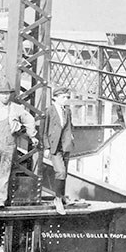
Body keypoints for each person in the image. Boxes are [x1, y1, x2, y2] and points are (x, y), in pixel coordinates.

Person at [0, 79, 38, 208]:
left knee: (4, 173)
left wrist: (32, 135)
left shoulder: (16, 108)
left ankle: (0, 200)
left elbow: (29, 120)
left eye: (7, 94)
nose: (5, 96)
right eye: (3, 94)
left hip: (8, 144)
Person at [43, 86, 74, 215]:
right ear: (55, 98)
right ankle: (57, 200)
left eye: (67, 97)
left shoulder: (67, 111)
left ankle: (62, 197)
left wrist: (71, 137)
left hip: (65, 145)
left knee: (64, 172)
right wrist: (46, 147)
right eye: (63, 97)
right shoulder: (49, 111)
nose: (65, 100)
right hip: (54, 146)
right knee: (60, 171)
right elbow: (44, 131)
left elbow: (69, 126)